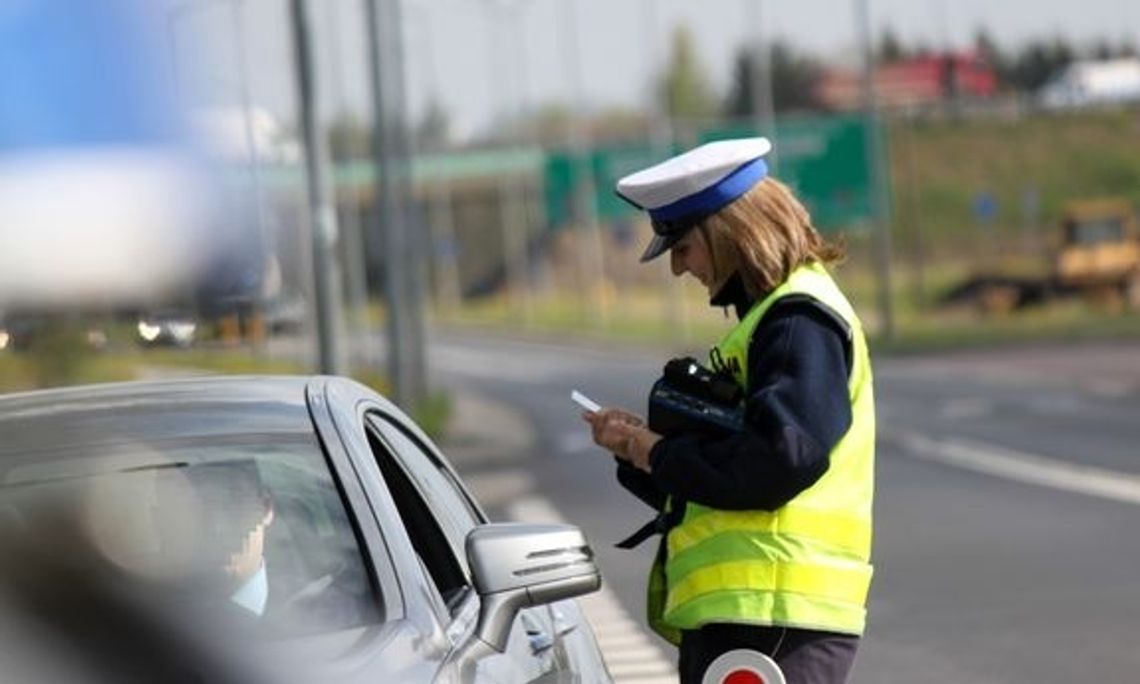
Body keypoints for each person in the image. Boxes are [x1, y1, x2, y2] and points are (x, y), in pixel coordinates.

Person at [582, 137, 875, 684]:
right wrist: (641, 451)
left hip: (771, 608)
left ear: (728, 231)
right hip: (760, 612)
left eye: (681, 246)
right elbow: (730, 478)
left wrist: (661, 451)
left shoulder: (795, 321)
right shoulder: (770, 320)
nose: (677, 269)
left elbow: (778, 460)